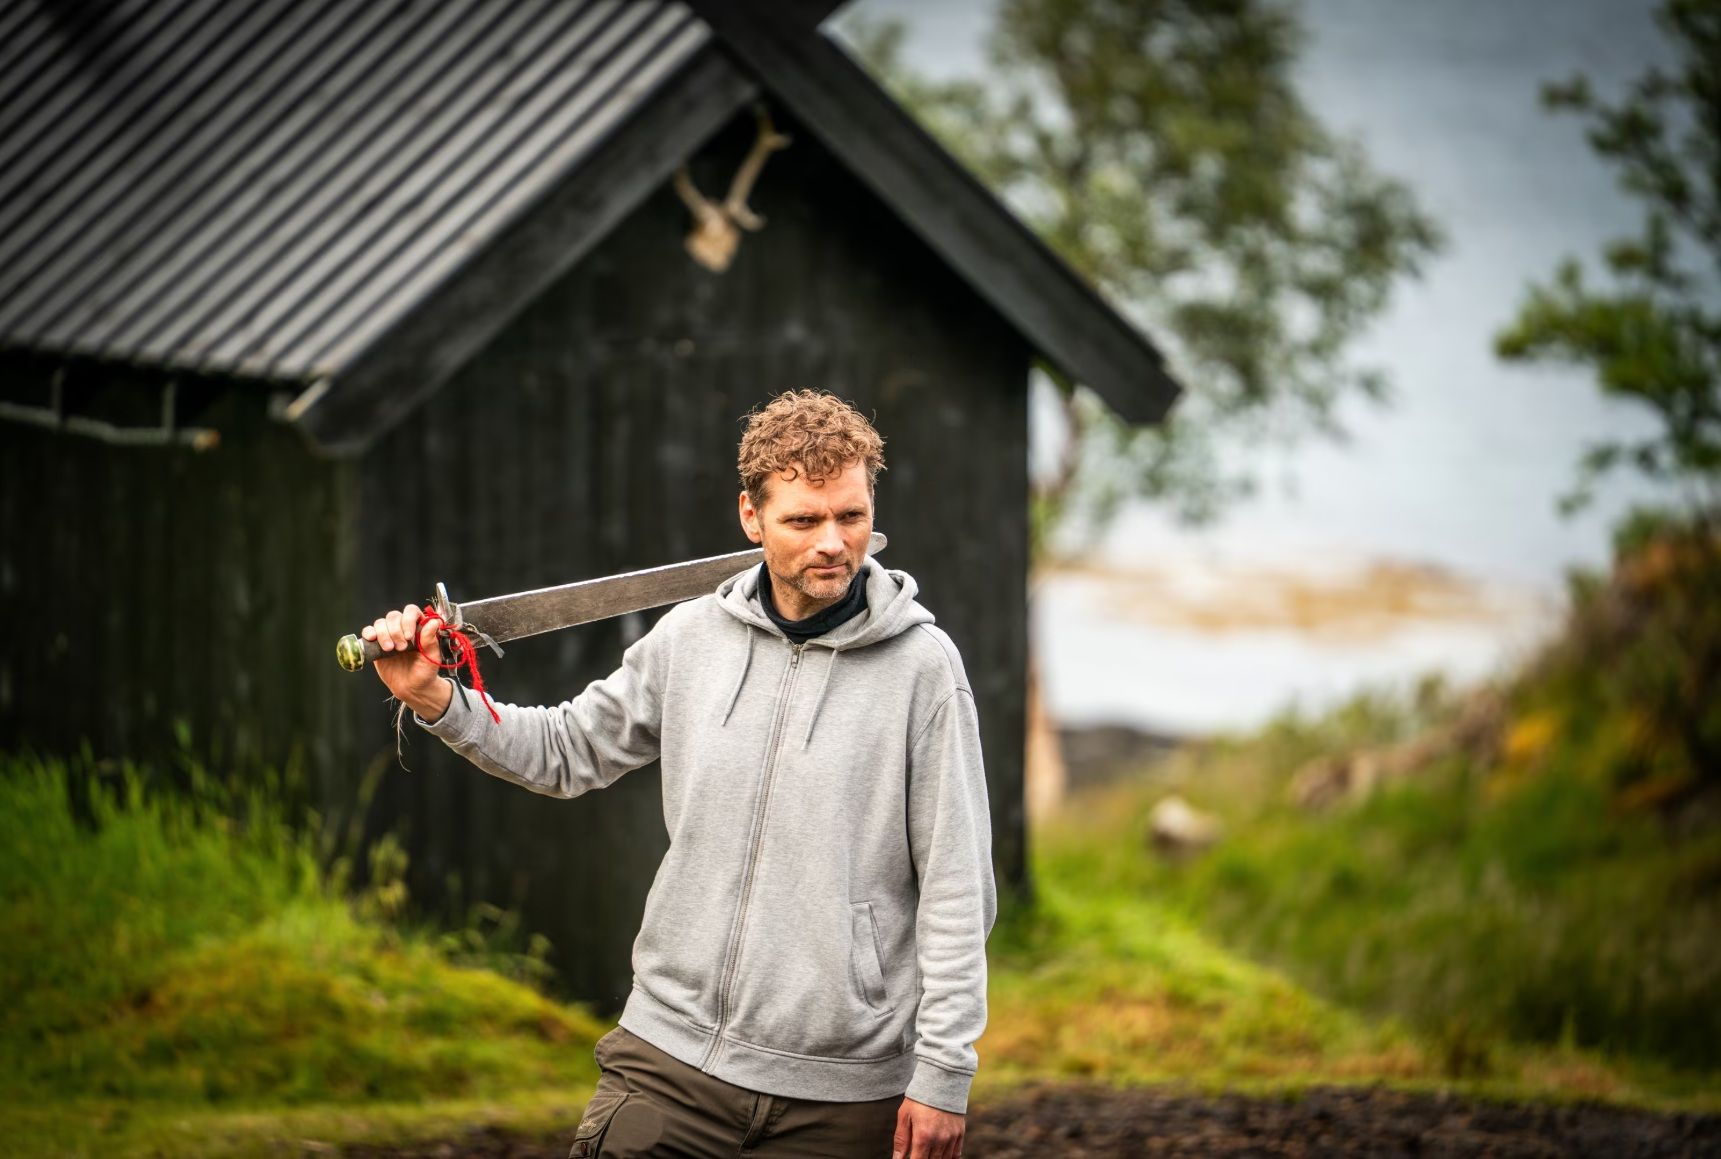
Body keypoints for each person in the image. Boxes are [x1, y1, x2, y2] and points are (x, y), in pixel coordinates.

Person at [362, 390, 996, 1159]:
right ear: (750, 516)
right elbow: (566, 750)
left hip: (843, 1092)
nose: (833, 542)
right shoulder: (690, 638)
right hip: (669, 1057)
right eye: (803, 520)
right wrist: (434, 696)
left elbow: (957, 886)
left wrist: (943, 1071)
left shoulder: (923, 669)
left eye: (851, 516)